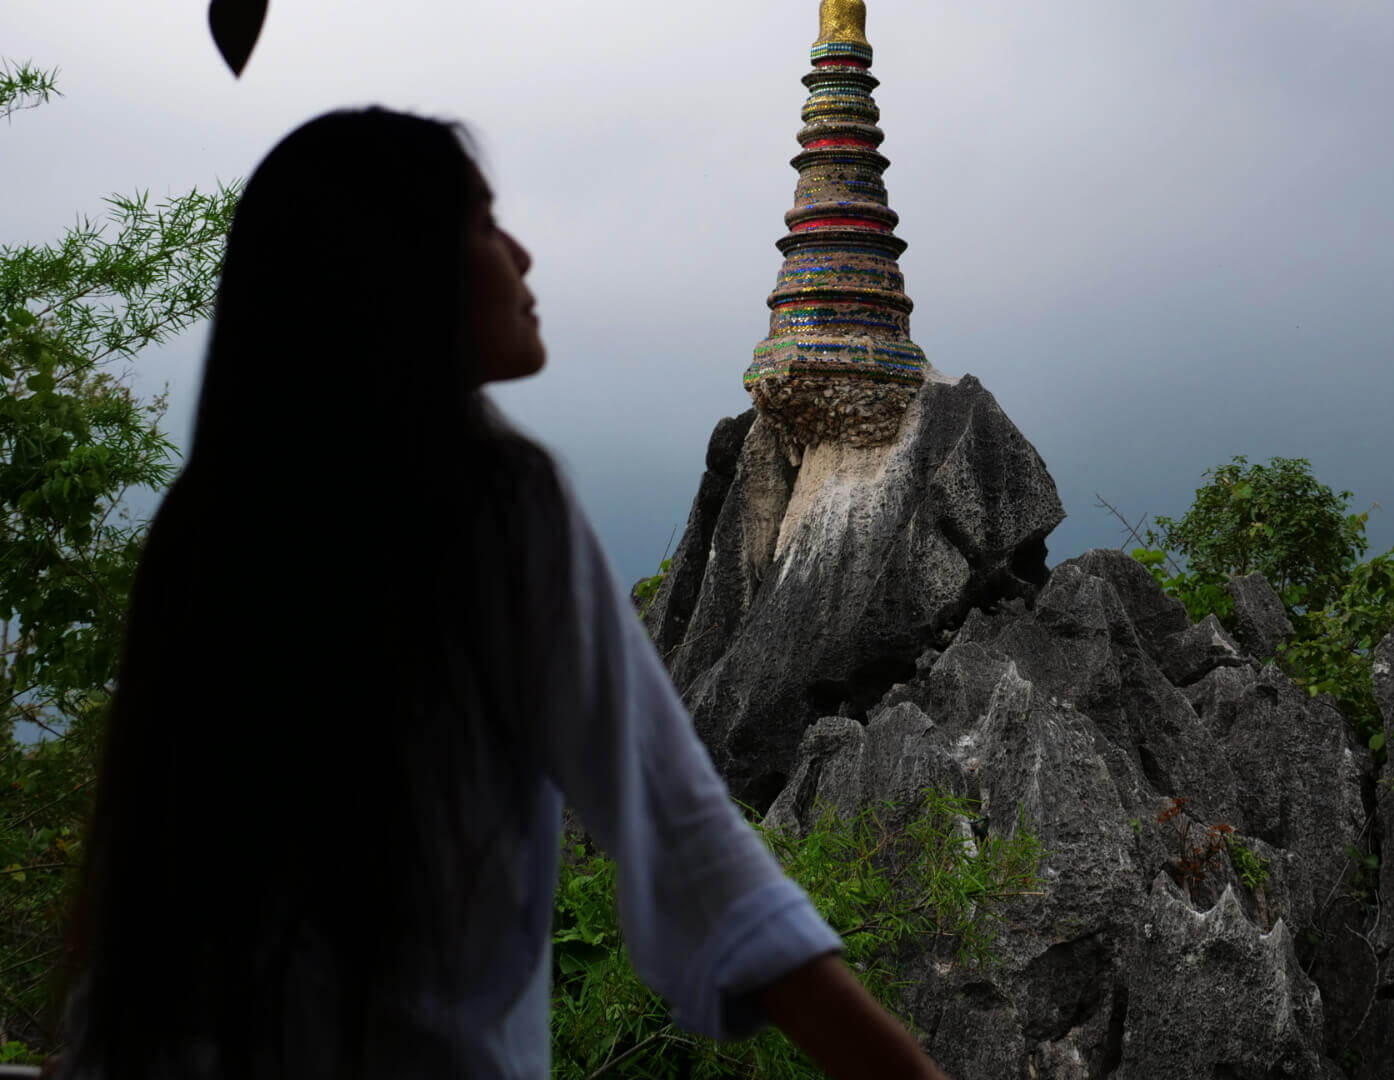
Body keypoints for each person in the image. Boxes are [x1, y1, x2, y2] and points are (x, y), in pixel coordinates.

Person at [50, 107, 947, 1080]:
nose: (520, 253)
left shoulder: (202, 519)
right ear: (393, 267)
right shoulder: (493, 505)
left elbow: (139, 885)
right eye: (481, 223)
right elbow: (683, 835)